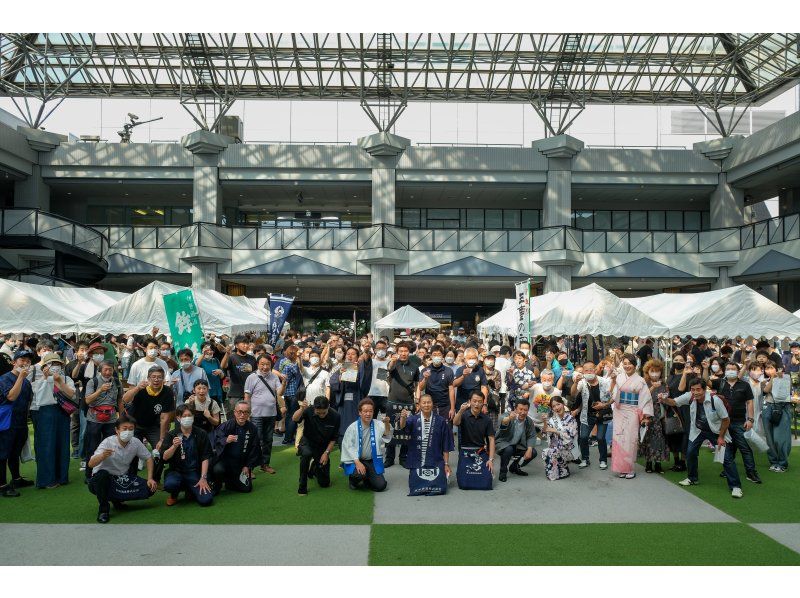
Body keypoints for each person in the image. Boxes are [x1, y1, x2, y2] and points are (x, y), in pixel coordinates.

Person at [659, 378, 742, 498]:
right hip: (698, 430)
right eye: (693, 390)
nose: (696, 392)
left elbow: (726, 419)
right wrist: (664, 399)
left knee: (727, 457)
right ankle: (692, 478)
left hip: (716, 431)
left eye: (698, 389)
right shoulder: (690, 396)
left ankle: (736, 486)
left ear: (704, 389)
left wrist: (721, 437)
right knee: (690, 452)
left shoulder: (715, 400)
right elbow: (674, 402)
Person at [87, 415, 157, 523]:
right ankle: (104, 510)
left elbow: (148, 458)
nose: (128, 431)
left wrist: (150, 478)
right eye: (124, 428)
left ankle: (116, 499)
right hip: (102, 480)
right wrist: (102, 456)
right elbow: (91, 464)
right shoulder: (108, 442)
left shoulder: (135, 442)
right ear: (117, 430)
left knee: (150, 488)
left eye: (131, 429)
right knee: (102, 475)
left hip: (121, 478)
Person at [30, 352, 76, 489]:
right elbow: (36, 399)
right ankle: (47, 479)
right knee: (46, 446)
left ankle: (62, 477)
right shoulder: (38, 380)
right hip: (44, 415)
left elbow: (72, 394)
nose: (54, 367)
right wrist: (45, 378)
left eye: (57, 364)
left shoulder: (66, 379)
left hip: (62, 413)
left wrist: (60, 381)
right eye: (51, 364)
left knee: (62, 444)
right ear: (44, 366)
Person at [712, 361, 761, 482]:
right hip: (724, 422)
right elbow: (705, 382)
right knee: (728, 448)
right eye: (728, 368)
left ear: (738, 371)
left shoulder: (744, 385)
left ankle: (751, 472)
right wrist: (705, 368)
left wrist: (750, 419)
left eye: (733, 369)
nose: (730, 370)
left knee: (745, 448)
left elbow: (749, 402)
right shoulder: (720, 383)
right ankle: (728, 469)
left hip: (739, 422)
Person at [121, 365, 175, 475]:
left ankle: (155, 479)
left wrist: (161, 439)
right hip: (134, 425)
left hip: (152, 426)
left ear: (163, 379)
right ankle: (131, 478)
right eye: (153, 377)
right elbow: (125, 399)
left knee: (161, 449)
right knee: (132, 451)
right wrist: (136, 388)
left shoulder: (168, 392)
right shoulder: (141, 389)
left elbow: (165, 418)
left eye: (159, 377)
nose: (156, 380)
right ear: (148, 378)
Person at [399, 394, 454, 496]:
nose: (426, 405)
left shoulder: (440, 421)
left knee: (440, 488)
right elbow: (403, 426)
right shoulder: (413, 419)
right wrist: (402, 417)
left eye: (429, 402)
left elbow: (446, 445)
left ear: (432, 404)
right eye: (424, 403)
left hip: (435, 460)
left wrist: (446, 464)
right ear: (419, 405)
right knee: (415, 487)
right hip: (417, 460)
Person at [610, 354, 653, 479]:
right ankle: (620, 468)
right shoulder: (619, 377)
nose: (627, 366)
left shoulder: (640, 380)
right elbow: (613, 394)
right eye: (625, 363)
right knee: (618, 438)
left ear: (635, 365)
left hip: (633, 411)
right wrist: (613, 381)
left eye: (629, 363)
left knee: (630, 439)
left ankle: (629, 468)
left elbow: (645, 399)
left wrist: (645, 415)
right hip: (619, 410)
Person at [0, 349, 35, 497]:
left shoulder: (27, 382)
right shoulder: (4, 378)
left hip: (21, 422)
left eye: (28, 361)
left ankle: (16, 478)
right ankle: (2, 485)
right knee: (3, 453)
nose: (25, 363)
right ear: (14, 362)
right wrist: (21, 377)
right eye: (22, 360)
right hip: (7, 422)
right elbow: (11, 397)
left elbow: (28, 401)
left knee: (15, 451)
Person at [162, 405, 213, 506]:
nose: (187, 418)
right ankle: (174, 494)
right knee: (170, 484)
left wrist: (203, 478)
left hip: (193, 472)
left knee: (206, 500)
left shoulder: (201, 433)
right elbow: (164, 457)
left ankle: (190, 490)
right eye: (184, 416)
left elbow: (205, 457)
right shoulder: (171, 434)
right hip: (176, 472)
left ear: (193, 417)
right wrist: (173, 447)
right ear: (178, 418)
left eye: (190, 415)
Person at [243, 354, 287, 475]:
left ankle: (265, 464)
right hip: (256, 414)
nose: (265, 367)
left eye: (268, 364)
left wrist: (283, 384)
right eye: (262, 364)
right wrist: (247, 413)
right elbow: (247, 396)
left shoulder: (274, 377)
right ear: (257, 365)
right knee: (255, 441)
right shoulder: (251, 377)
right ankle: (250, 468)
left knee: (268, 440)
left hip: (271, 414)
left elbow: (279, 392)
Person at [211, 400, 263, 494]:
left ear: (249, 414)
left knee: (246, 489)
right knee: (218, 469)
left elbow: (255, 449)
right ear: (235, 412)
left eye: (245, 412)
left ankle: (230, 482)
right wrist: (225, 440)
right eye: (239, 412)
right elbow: (216, 440)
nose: (242, 415)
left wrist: (247, 466)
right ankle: (218, 484)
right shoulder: (226, 425)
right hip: (225, 462)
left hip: (241, 464)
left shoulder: (252, 429)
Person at [82, 360, 123, 479]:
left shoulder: (117, 382)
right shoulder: (92, 382)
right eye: (105, 369)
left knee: (111, 446)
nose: (108, 372)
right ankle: (89, 475)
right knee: (93, 447)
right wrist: (100, 390)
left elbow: (120, 400)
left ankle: (109, 473)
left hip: (111, 419)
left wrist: (121, 417)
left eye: (110, 369)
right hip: (94, 418)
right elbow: (87, 400)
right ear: (100, 370)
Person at [340, 398, 392, 492]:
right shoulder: (352, 427)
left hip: (371, 460)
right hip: (357, 460)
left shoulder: (378, 424)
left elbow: (386, 433)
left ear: (373, 412)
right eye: (365, 411)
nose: (368, 414)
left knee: (381, 486)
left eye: (370, 411)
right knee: (358, 474)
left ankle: (367, 478)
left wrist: (387, 423)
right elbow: (348, 446)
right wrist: (358, 462)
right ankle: (353, 481)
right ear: (360, 412)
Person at [292, 395, 340, 495]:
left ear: (329, 407)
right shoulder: (308, 410)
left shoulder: (336, 416)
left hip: (323, 447)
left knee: (324, 483)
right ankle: (302, 486)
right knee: (306, 454)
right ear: (314, 408)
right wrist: (301, 409)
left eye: (324, 412)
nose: (321, 415)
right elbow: (294, 419)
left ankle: (313, 467)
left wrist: (326, 453)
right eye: (318, 412)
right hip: (307, 442)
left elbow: (333, 439)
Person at [571, 361, 612, 470]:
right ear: (583, 372)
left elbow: (612, 395)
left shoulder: (604, 381)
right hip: (587, 414)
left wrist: (604, 405)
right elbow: (573, 394)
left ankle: (603, 460)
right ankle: (585, 459)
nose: (589, 372)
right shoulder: (582, 382)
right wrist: (575, 382)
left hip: (602, 414)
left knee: (600, 437)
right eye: (586, 370)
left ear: (595, 370)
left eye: (591, 369)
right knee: (583, 437)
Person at [385, 342, 419, 468]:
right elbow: (388, 369)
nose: (403, 353)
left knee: (406, 430)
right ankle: (389, 457)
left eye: (405, 351)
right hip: (392, 401)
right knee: (390, 430)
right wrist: (392, 361)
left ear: (409, 352)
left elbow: (416, 385)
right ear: (397, 352)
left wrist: (417, 400)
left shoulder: (415, 366)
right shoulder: (393, 364)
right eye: (401, 351)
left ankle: (403, 457)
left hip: (408, 403)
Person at [452, 392, 495, 489]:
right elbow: (455, 422)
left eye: (479, 402)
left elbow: (491, 439)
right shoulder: (463, 415)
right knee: (463, 484)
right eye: (474, 401)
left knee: (486, 483)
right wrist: (460, 411)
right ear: (469, 402)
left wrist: (491, 459)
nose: (476, 404)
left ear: (483, 403)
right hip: (465, 451)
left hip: (480, 452)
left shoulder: (487, 419)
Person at [328, 346, 367, 443]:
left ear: (358, 357)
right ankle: (342, 439)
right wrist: (340, 376)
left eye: (353, 354)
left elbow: (366, 383)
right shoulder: (341, 368)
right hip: (344, 402)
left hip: (357, 400)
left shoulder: (362, 368)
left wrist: (358, 370)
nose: (350, 356)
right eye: (348, 354)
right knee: (343, 424)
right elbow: (332, 382)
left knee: (357, 422)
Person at [639, 359, 670, 474]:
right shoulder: (644, 383)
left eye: (658, 371)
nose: (655, 374)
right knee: (647, 439)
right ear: (648, 371)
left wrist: (664, 398)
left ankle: (658, 463)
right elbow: (642, 398)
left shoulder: (664, 384)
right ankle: (648, 463)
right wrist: (652, 387)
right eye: (652, 371)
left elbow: (668, 398)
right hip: (647, 415)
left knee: (659, 439)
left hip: (659, 416)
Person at [495, 398, 537, 482]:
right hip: (503, 443)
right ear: (515, 409)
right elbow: (502, 421)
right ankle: (503, 472)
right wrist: (509, 418)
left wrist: (529, 449)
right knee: (508, 449)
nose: (523, 412)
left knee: (533, 452)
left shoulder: (528, 421)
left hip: (518, 445)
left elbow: (531, 436)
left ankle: (515, 467)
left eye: (525, 410)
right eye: (520, 409)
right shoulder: (508, 415)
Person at [761, 363, 792, 473]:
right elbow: (765, 391)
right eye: (767, 368)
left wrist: (780, 378)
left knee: (781, 438)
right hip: (768, 407)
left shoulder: (786, 379)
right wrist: (773, 378)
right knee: (769, 438)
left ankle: (783, 463)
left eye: (771, 368)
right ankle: (774, 461)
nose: (769, 370)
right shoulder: (764, 381)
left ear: (778, 369)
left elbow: (788, 391)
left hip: (783, 408)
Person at [541, 395, 578, 480]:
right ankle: (563, 470)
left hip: (569, 450)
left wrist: (556, 431)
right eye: (553, 406)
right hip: (557, 447)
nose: (556, 407)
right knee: (545, 451)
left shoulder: (571, 419)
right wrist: (544, 422)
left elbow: (570, 436)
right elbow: (544, 433)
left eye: (558, 404)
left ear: (563, 404)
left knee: (552, 452)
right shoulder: (552, 419)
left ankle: (557, 472)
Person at [220, 334, 257, 413]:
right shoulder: (232, 357)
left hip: (251, 393)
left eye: (247, 343)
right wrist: (227, 353)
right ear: (236, 345)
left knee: (249, 417)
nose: (246, 345)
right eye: (243, 343)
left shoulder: (252, 358)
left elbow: (256, 374)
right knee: (235, 418)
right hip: (235, 394)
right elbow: (223, 366)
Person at [418, 345, 455, 421]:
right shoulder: (425, 370)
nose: (437, 357)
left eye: (439, 354)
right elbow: (421, 388)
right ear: (431, 356)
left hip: (445, 406)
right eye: (434, 354)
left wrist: (452, 408)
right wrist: (425, 378)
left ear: (443, 356)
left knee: (445, 430)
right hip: (430, 406)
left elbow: (451, 390)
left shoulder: (448, 371)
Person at [196, 342, 225, 406]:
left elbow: (222, 376)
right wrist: (203, 354)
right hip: (204, 392)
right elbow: (196, 365)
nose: (209, 352)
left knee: (216, 413)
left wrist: (220, 371)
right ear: (202, 350)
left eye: (211, 350)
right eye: (207, 350)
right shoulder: (199, 360)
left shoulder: (215, 360)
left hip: (216, 391)